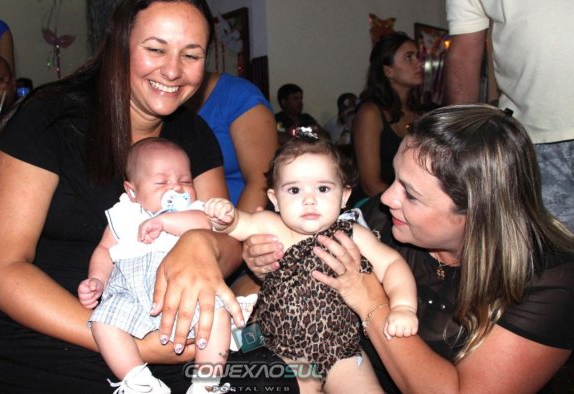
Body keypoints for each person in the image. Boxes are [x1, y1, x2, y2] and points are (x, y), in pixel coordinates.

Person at [0, 0, 246, 393]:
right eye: (155, 49)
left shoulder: (194, 134)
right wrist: (132, 345)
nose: (173, 71)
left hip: (165, 327)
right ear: (119, 47)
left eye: (191, 55)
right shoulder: (49, 118)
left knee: (286, 377)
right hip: (46, 332)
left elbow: (231, 242)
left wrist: (202, 244)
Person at [245, 105, 574, 393]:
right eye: (394, 178)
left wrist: (370, 301)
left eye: (411, 194)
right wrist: (262, 263)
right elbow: (278, 274)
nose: (387, 198)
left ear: (477, 212)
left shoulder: (551, 284)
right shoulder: (382, 217)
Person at [205, 132, 418, 393]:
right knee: (242, 371)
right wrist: (225, 217)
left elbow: (392, 264)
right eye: (294, 190)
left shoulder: (352, 234)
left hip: (340, 348)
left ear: (344, 196)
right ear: (275, 200)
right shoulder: (271, 225)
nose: (309, 199)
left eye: (323, 188)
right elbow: (239, 224)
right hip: (277, 345)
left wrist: (404, 306)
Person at [79, 138, 231, 394]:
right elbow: (104, 250)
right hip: (129, 291)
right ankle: (138, 380)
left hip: (186, 290)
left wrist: (166, 222)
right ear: (132, 191)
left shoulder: (194, 211)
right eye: (161, 182)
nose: (177, 188)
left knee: (217, 315)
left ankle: (206, 384)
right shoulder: (124, 214)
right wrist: (97, 280)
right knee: (102, 323)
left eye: (185, 181)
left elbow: (206, 225)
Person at [444, 0, 574, 232]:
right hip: (532, 142)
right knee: (552, 252)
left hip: (532, 142)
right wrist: (458, 146)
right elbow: (465, 53)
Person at [188, 71, 277, 212]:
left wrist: (237, 224)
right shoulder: (161, 102)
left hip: (237, 217)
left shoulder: (239, 97)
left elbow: (261, 181)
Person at [351, 32, 423, 201]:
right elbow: (370, 185)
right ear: (388, 70)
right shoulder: (370, 113)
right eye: (409, 57)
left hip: (412, 200)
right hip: (377, 203)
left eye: (417, 56)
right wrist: (413, 204)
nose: (419, 63)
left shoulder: (420, 113)